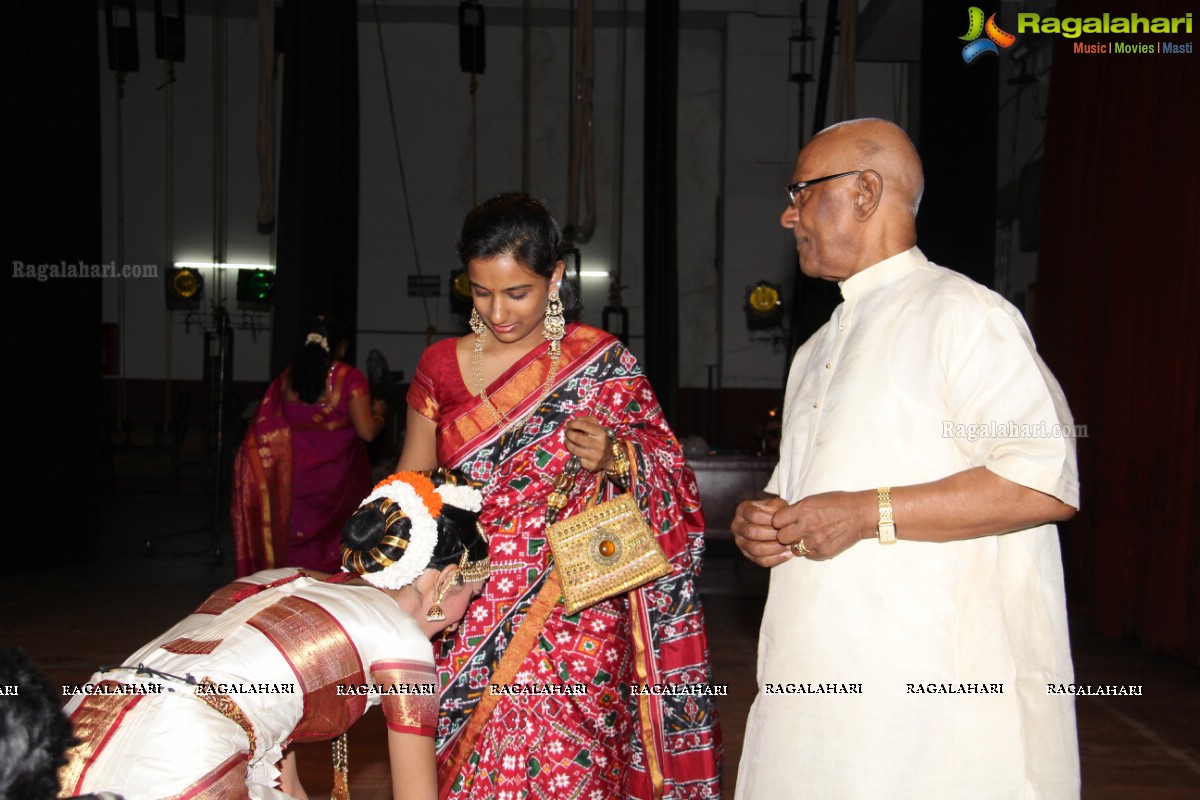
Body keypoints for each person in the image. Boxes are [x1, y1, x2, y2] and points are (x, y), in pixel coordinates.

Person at [732, 118, 1080, 799]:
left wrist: (868, 514)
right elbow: (803, 494)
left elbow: (1044, 481)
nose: (787, 213)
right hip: (817, 679)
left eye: (801, 192)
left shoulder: (965, 315)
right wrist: (765, 520)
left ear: (865, 192)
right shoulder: (814, 348)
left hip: (929, 695)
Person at [397, 193, 720, 798]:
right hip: (468, 597)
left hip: (579, 602)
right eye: (480, 291)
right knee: (469, 768)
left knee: (572, 768)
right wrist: (380, 540)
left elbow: (675, 479)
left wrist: (616, 456)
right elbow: (414, 482)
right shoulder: (439, 365)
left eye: (517, 292)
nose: (499, 311)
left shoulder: (600, 362)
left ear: (556, 277)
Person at [60, 469, 490, 800]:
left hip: (84, 718)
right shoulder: (403, 641)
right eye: (469, 597)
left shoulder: (280, 578)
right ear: (444, 581)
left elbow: (279, 772)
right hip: (183, 745)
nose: (459, 619)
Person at [233, 313, 387, 575]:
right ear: (341, 347)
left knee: (292, 545)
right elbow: (367, 432)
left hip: (293, 481)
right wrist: (381, 413)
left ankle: (286, 597)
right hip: (335, 487)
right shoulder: (348, 379)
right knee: (331, 549)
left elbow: (265, 428)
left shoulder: (289, 379)